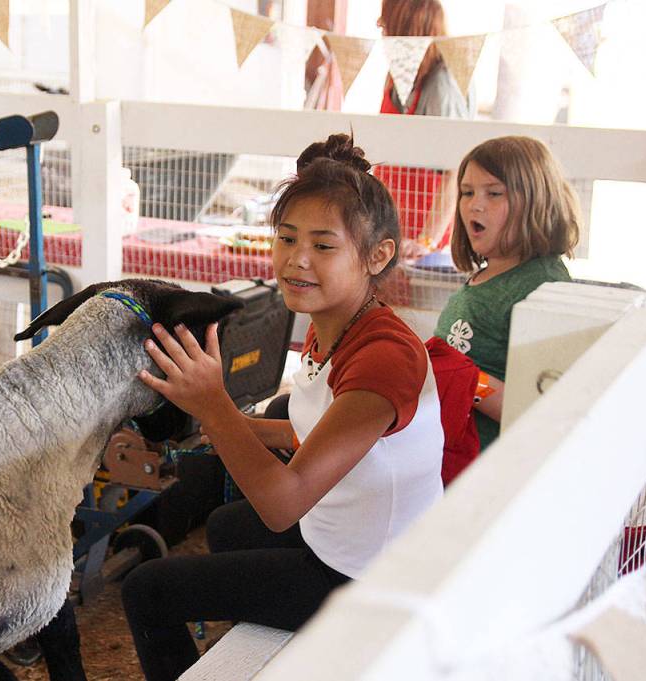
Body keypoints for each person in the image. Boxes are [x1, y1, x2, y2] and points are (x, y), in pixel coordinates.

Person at [122, 134, 444, 681]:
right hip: (348, 539)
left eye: (323, 246)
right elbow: (315, 433)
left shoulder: (384, 357)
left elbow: (283, 505)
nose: (296, 260)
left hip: (374, 576)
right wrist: (221, 423)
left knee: (146, 590)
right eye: (286, 237)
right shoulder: (339, 326)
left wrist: (214, 404)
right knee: (227, 526)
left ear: (377, 255)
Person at [434, 135, 580, 451]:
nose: (475, 204)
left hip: (488, 467)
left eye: (495, 193)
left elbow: (538, 406)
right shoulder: (489, 273)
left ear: (537, 200)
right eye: (467, 192)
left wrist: (469, 381)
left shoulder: (542, 286)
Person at [373, 0, 476, 257]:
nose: (380, 26)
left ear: (407, 29)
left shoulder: (443, 83)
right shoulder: (400, 75)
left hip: (427, 237)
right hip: (391, 223)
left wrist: (426, 241)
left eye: (386, 22)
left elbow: (455, 172)